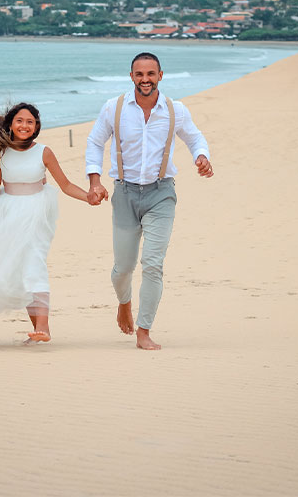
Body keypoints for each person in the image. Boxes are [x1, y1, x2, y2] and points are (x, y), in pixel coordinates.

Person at [85, 52, 214, 350]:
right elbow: (94, 141)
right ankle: (124, 302)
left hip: (161, 194)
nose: (145, 79)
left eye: (151, 74)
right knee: (123, 268)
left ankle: (144, 331)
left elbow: (194, 138)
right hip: (124, 194)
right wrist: (94, 179)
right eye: (139, 74)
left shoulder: (175, 110)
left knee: (153, 265)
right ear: (131, 76)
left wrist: (202, 156)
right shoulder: (113, 108)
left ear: (160, 75)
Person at [0, 102, 94, 343]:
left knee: (34, 262)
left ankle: (44, 327)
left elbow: (66, 185)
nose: (24, 125)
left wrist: (88, 197)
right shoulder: (0, 152)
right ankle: (38, 330)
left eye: (30, 122)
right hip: (7, 213)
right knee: (18, 269)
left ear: (36, 127)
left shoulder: (44, 152)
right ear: (11, 124)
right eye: (20, 120)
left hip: (37, 211)